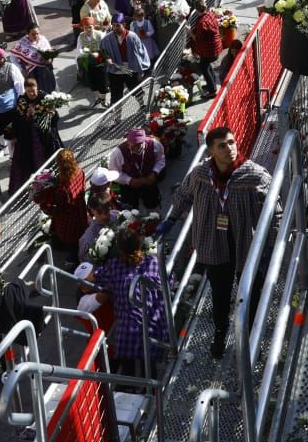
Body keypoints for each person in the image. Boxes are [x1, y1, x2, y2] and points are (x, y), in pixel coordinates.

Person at [156, 127, 269, 359]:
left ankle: (249, 336)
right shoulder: (200, 175)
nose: (230, 149)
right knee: (220, 293)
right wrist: (171, 219)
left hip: (246, 245)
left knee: (250, 291)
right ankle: (221, 331)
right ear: (211, 151)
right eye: (222, 146)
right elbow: (183, 195)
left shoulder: (254, 176)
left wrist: (271, 243)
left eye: (232, 142)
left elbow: (274, 210)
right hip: (213, 246)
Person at [90, 228, 167, 377]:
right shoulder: (153, 264)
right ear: (139, 244)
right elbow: (169, 282)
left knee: (127, 373)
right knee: (149, 370)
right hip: (153, 329)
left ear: (119, 249)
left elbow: (95, 277)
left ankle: (129, 388)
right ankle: (150, 389)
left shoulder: (114, 266)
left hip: (127, 333)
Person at [29, 149, 88, 268]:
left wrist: (43, 205)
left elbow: (56, 210)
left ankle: (73, 259)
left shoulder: (62, 188)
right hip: (80, 209)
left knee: (72, 241)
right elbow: (83, 187)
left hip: (67, 220)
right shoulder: (80, 172)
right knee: (79, 234)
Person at [99, 17, 152, 105]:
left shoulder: (132, 37)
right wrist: (107, 58)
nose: (115, 28)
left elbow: (141, 52)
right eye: (113, 25)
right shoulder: (107, 39)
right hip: (115, 72)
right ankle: (117, 117)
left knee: (137, 90)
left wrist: (140, 70)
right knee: (116, 96)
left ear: (124, 24)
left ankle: (142, 105)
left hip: (130, 69)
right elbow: (103, 51)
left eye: (118, 25)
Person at [111, 128, 165, 211]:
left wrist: (154, 172)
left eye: (139, 145)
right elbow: (114, 173)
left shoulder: (154, 144)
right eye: (133, 146)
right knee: (130, 209)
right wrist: (129, 180)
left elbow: (161, 159)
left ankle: (154, 218)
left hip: (148, 180)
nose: (136, 148)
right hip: (129, 186)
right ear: (128, 143)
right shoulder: (118, 152)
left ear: (144, 141)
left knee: (153, 203)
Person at [187, 0, 224, 99]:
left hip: (209, 50)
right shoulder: (210, 15)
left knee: (204, 68)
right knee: (207, 65)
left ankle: (212, 91)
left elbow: (198, 39)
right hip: (216, 47)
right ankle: (211, 85)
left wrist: (190, 32)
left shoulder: (201, 23)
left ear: (196, 9)